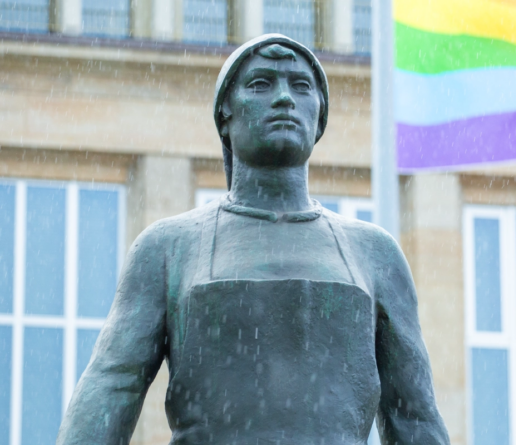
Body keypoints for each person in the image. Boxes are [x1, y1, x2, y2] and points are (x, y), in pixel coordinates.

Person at [56, 34, 450, 445]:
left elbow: (415, 418)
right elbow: (113, 383)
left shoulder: (374, 253)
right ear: (224, 114)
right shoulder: (168, 247)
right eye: (261, 84)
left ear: (320, 117)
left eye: (301, 86)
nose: (284, 98)